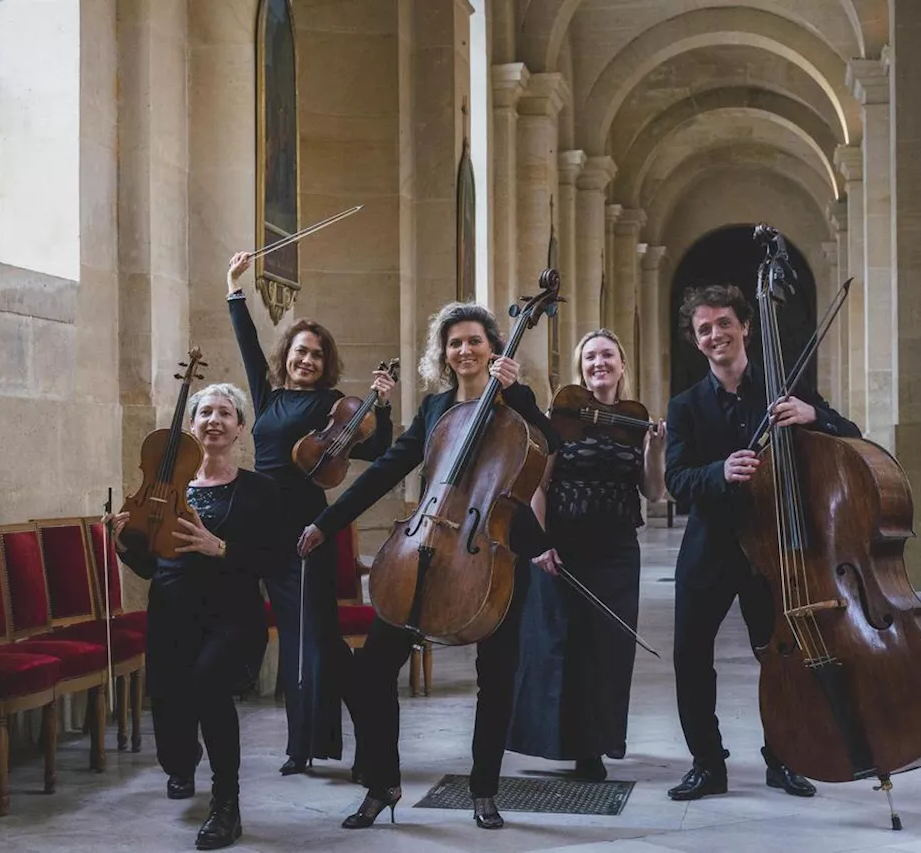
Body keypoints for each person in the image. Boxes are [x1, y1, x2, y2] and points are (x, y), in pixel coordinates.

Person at [297, 302, 560, 831]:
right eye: (454, 343)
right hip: (423, 550)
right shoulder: (437, 408)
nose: (464, 350)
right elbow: (386, 470)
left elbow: (548, 446)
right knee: (372, 672)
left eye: (474, 341)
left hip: (492, 551)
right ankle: (381, 781)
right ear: (444, 353)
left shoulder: (518, 403)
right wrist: (329, 522)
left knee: (498, 675)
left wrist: (519, 397)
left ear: (493, 349)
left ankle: (484, 788)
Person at [664, 284, 860, 801]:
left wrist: (815, 417)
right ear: (696, 340)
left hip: (775, 551)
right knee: (690, 655)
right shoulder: (685, 405)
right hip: (710, 548)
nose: (715, 335)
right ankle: (707, 763)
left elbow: (852, 437)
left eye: (724, 323)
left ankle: (784, 757)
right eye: (704, 329)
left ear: (745, 326)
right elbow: (677, 479)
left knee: (782, 656)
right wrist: (719, 471)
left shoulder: (784, 390)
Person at [225, 252, 397, 776]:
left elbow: (375, 451)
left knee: (310, 640)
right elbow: (248, 343)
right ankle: (291, 728)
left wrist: (381, 406)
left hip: (307, 529)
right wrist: (234, 288)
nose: (307, 360)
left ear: (327, 363)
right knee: (250, 619)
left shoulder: (334, 407)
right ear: (288, 355)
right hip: (259, 524)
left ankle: (305, 746)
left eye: (317, 355)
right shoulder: (268, 395)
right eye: (301, 352)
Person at [111, 383, 284, 851]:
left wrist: (221, 547)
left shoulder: (259, 491)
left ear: (240, 428)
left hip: (232, 616)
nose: (214, 420)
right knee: (170, 702)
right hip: (172, 611)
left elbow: (277, 561)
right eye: (204, 412)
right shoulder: (165, 491)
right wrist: (124, 542)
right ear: (190, 426)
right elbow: (150, 565)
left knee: (209, 684)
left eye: (225, 413)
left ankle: (226, 805)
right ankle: (182, 761)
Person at [508, 328, 666, 782]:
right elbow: (540, 485)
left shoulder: (637, 421)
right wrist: (540, 545)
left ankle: (594, 749)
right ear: (582, 367)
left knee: (608, 650)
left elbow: (653, 492)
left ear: (621, 365)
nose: (600, 363)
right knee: (561, 645)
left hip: (616, 548)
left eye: (608, 355)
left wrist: (655, 450)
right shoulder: (560, 419)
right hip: (564, 547)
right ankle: (559, 743)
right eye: (591, 356)